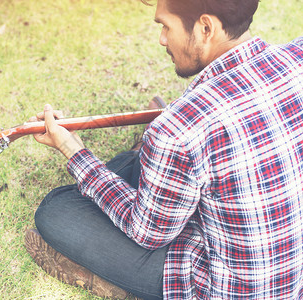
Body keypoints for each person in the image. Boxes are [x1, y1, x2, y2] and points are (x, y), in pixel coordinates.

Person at [25, 0, 303, 299]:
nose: (161, 39)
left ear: (205, 28)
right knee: (151, 164)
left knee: (57, 210)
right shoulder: (297, 56)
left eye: (165, 26)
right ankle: (149, 163)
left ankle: (144, 166)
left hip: (225, 288)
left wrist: (73, 150)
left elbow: (148, 233)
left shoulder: (177, 130)